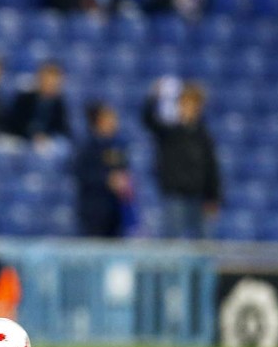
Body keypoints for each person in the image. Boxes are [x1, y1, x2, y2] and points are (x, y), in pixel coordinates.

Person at [142, 80, 221, 240]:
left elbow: (211, 167)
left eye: (193, 105)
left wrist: (213, 197)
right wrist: (153, 98)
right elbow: (148, 121)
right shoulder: (170, 132)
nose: (188, 109)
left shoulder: (203, 135)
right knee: (170, 241)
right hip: (175, 195)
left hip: (199, 197)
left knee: (203, 243)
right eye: (185, 104)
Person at [74, 102, 132, 238]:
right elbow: (82, 174)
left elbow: (124, 169)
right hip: (94, 208)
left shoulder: (118, 146)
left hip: (115, 208)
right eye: (109, 120)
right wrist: (106, 179)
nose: (113, 123)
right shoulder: (88, 147)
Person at [7, 62, 72, 142]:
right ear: (39, 79)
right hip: (23, 140)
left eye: (53, 82)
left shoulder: (59, 104)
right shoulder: (24, 99)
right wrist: (32, 134)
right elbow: (13, 124)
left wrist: (47, 137)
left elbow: (63, 129)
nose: (49, 84)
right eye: (46, 80)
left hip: (48, 142)